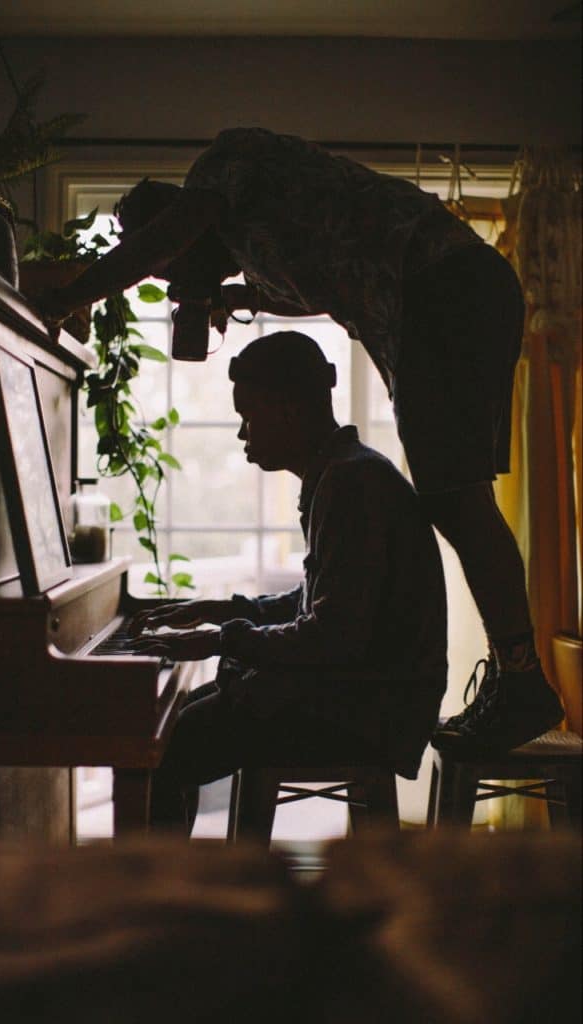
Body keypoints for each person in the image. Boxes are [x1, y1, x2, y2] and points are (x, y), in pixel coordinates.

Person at [42, 126, 564, 754]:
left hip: (442, 288)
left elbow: (169, 239)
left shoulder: (222, 164)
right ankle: (520, 678)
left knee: (455, 500)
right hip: (435, 300)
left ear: (181, 229)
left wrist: (71, 295)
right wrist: (238, 294)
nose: (182, 288)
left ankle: (523, 683)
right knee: (455, 497)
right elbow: (317, 287)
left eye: (174, 272)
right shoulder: (262, 245)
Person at [122, 330, 447, 832]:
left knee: (171, 741)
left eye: (247, 416)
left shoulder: (351, 484)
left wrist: (217, 640)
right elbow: (318, 602)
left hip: (373, 711)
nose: (241, 433)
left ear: (289, 410)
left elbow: (333, 633)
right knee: (181, 720)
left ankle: (164, 901)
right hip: (366, 694)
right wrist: (217, 610)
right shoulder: (341, 472)